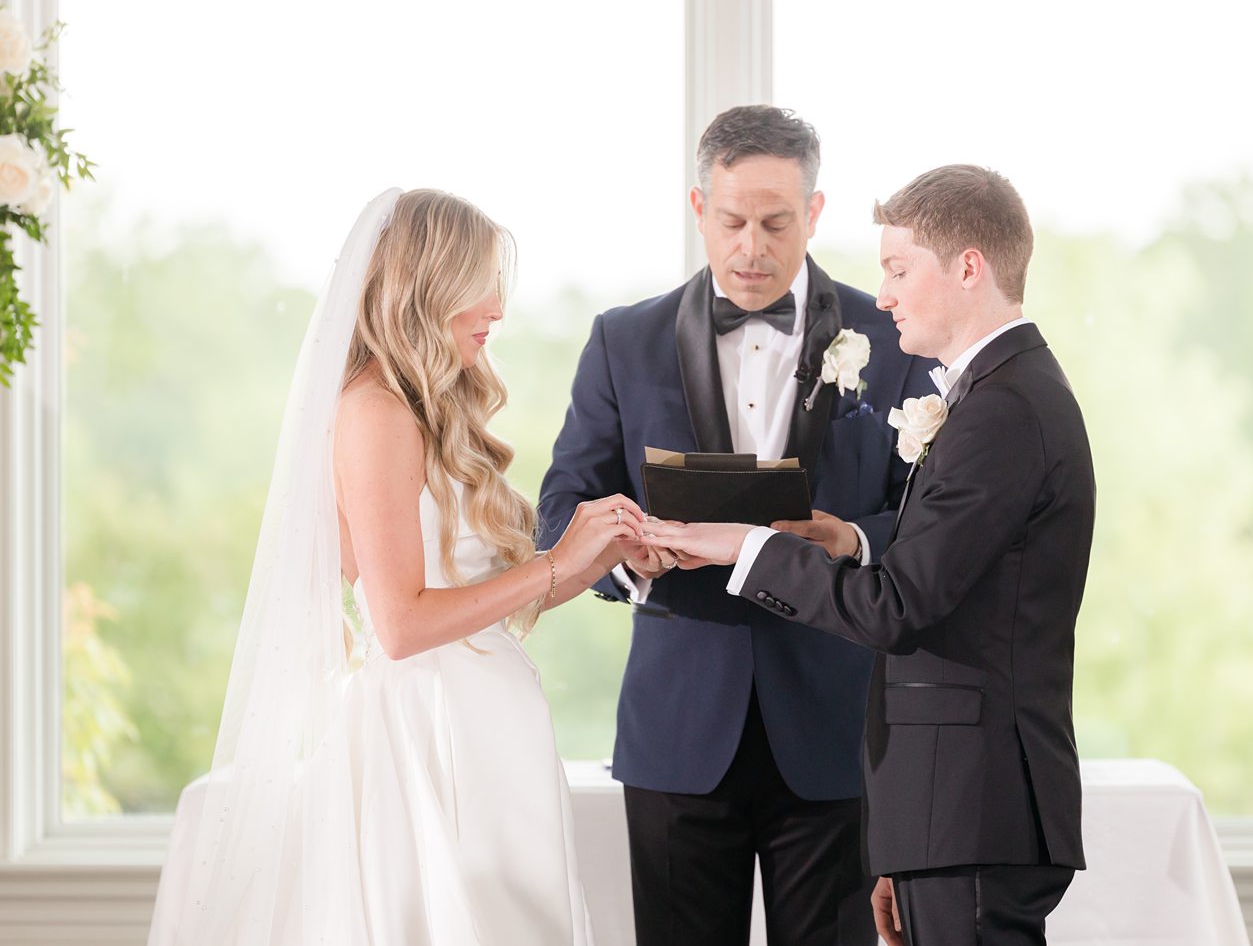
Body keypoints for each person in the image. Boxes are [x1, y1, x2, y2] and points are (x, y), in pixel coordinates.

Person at [149, 188, 639, 945]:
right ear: (430, 282)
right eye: (481, 281)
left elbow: (486, 604)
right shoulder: (374, 411)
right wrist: (555, 563)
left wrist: (596, 553)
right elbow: (403, 623)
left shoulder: (431, 407)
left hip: (487, 730)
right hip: (429, 735)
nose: (498, 307)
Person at [639, 164, 1097, 946]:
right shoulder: (995, 394)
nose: (881, 295)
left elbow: (896, 605)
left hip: (973, 812)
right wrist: (899, 845)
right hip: (948, 817)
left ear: (968, 268)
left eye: (897, 268)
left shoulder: (1005, 409)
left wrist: (746, 546)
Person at [538, 106, 937, 945]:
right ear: (697, 207)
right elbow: (561, 512)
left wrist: (846, 537)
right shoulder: (622, 340)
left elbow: (930, 516)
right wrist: (631, 556)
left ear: (816, 214)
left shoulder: (891, 336)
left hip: (834, 727)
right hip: (678, 728)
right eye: (731, 221)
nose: (751, 246)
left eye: (776, 222)